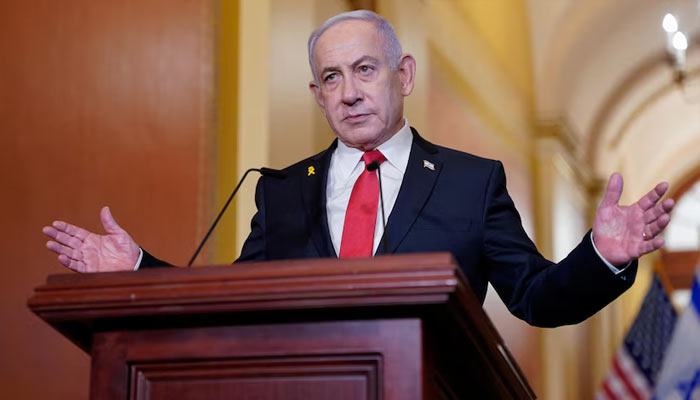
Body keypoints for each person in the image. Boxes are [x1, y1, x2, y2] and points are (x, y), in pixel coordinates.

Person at [42, 10, 674, 327]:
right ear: (317, 96)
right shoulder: (280, 192)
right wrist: (139, 269)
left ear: (404, 76)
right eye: (331, 78)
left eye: (365, 70)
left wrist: (602, 256)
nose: (348, 93)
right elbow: (230, 305)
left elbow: (535, 298)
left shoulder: (472, 182)